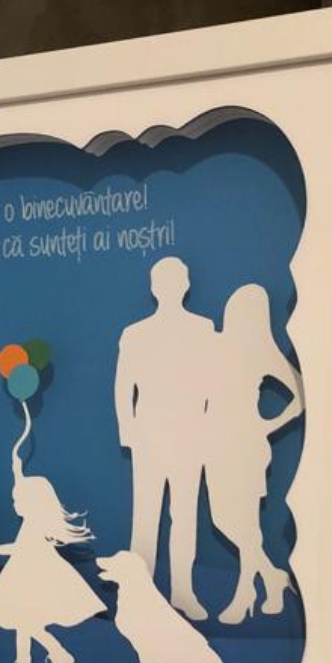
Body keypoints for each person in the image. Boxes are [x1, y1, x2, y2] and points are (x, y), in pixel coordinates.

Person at [114, 256, 214, 620]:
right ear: (154, 288)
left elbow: (213, 384)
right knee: (146, 515)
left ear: (185, 285)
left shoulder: (204, 330)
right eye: (164, 281)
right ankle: (139, 593)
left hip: (189, 435)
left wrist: (206, 428)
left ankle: (182, 592)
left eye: (176, 280)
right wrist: (129, 432)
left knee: (184, 515)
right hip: (150, 436)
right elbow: (123, 387)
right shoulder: (135, 334)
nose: (170, 287)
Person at [0, 403, 106, 663]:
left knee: (25, 622)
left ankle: (56, 655)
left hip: (35, 579)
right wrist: (16, 468)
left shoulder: (35, 526)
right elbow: (22, 485)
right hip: (25, 576)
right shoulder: (31, 519)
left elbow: (20, 549)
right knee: (23, 622)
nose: (14, 504)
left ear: (31, 502)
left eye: (17, 500)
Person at [206, 284, 304, 623]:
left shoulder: (263, 352)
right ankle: (273, 579)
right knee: (222, 519)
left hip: (247, 445)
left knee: (246, 521)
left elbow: (298, 395)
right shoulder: (218, 345)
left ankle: (245, 593)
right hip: (215, 444)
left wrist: (267, 425)